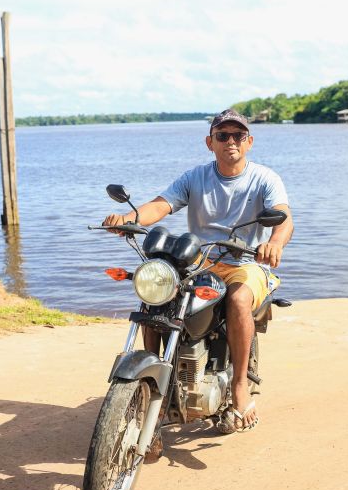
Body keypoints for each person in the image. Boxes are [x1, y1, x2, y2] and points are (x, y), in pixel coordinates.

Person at [103, 108, 293, 432]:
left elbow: (283, 217)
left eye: (238, 135)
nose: (231, 141)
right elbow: (161, 205)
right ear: (210, 142)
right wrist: (128, 219)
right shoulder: (195, 178)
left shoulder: (265, 179)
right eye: (223, 135)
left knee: (238, 299)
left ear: (249, 142)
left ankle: (239, 385)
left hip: (245, 262)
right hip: (200, 261)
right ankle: (153, 382)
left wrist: (274, 242)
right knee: (158, 291)